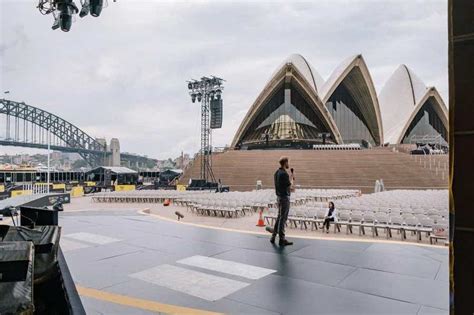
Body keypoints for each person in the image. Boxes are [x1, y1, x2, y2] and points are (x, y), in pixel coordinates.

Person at [271, 156, 295, 246]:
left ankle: (273, 237)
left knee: (279, 217)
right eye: (288, 162)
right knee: (283, 218)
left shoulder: (276, 173)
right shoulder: (284, 174)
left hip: (279, 197)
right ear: (285, 163)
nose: (289, 164)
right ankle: (282, 239)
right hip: (284, 198)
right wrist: (292, 176)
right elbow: (290, 186)